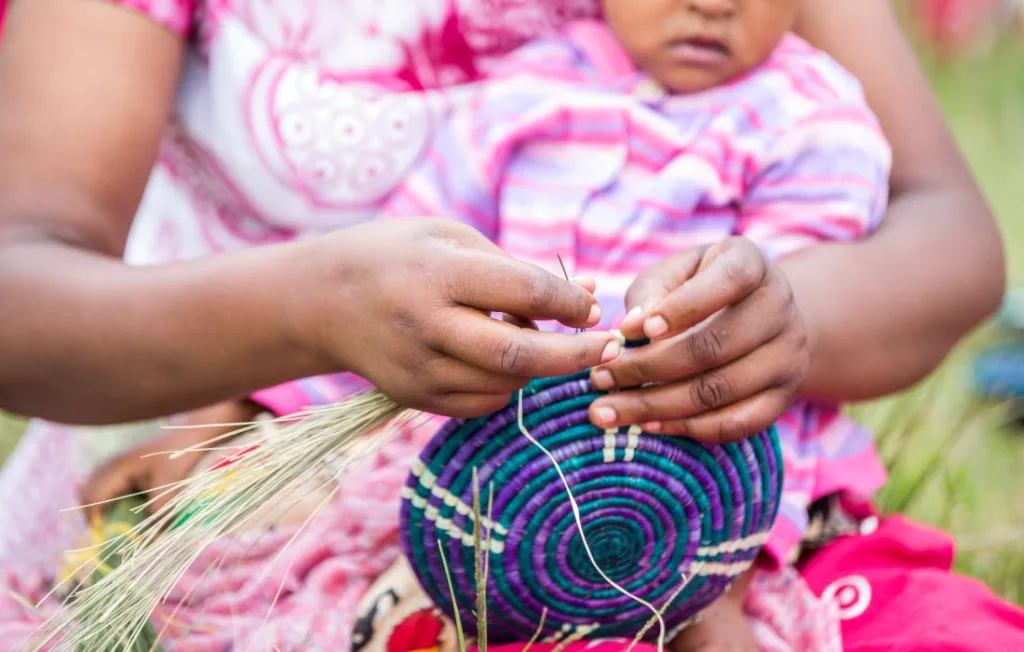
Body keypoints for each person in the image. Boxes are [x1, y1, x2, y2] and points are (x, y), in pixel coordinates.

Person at [0, 0, 1013, 650]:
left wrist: (779, 321)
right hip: (388, 464)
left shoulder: (801, 105)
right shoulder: (533, 99)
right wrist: (282, 351)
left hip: (729, 483)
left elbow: (947, 235)